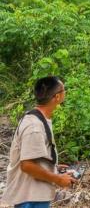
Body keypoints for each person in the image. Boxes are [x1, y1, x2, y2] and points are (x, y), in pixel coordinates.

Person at [1, 76, 76, 208]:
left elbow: (32, 157)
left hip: (34, 194)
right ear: (57, 97)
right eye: (64, 90)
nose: (65, 93)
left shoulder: (38, 119)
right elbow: (27, 165)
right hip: (29, 198)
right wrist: (58, 179)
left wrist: (52, 168)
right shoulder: (34, 127)